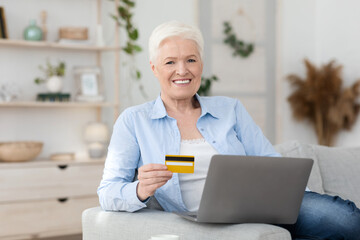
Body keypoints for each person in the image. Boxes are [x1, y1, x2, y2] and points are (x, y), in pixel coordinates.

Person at [98, 21, 360, 240]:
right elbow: (107, 192)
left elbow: (270, 161)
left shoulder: (229, 109)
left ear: (201, 64)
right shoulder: (133, 121)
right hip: (203, 219)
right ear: (154, 68)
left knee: (346, 218)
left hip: (263, 204)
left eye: (191, 59)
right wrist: (140, 190)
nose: (182, 70)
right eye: (170, 62)